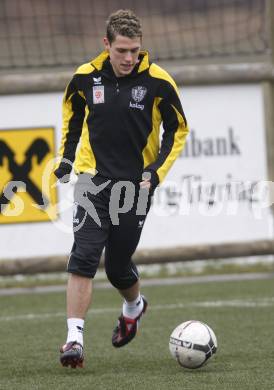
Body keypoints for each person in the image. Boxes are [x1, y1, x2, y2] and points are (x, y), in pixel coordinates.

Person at [54, 9, 189, 368]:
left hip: (135, 186)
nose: (129, 58)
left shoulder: (159, 82)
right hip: (91, 179)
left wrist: (156, 172)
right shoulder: (85, 78)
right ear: (106, 45)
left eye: (135, 51)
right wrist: (66, 159)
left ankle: (133, 305)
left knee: (116, 268)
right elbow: (72, 117)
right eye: (122, 51)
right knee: (83, 256)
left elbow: (177, 132)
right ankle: (74, 340)